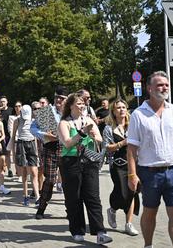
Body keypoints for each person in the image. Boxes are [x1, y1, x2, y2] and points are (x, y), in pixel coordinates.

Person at [127, 71, 173, 248]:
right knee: (150, 212)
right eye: (159, 85)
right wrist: (132, 175)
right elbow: (132, 148)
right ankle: (148, 245)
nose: (164, 88)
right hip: (149, 173)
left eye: (166, 85)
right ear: (149, 88)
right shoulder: (138, 115)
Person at [57, 93, 112, 244]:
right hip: (70, 162)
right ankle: (77, 230)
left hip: (89, 160)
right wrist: (82, 133)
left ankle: (100, 231)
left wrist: (94, 135)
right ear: (70, 106)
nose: (82, 106)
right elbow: (67, 143)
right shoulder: (64, 123)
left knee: (93, 196)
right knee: (74, 197)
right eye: (79, 104)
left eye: (83, 103)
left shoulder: (88, 120)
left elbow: (99, 139)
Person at [30, 85, 68, 219]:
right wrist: (43, 134)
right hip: (50, 147)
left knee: (68, 181)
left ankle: (70, 211)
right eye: (57, 97)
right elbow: (32, 128)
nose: (59, 100)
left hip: (67, 148)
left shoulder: (69, 112)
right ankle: (41, 208)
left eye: (62, 98)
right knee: (50, 180)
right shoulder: (47, 111)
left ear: (66, 99)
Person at [102, 99, 139, 236]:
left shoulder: (133, 125)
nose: (121, 110)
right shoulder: (109, 128)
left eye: (124, 107)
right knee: (122, 192)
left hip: (134, 164)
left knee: (132, 192)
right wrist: (122, 143)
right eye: (118, 108)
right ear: (113, 111)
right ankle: (112, 209)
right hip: (117, 165)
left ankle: (129, 224)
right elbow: (106, 148)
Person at [12, 105, 39, 206]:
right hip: (21, 143)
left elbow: (35, 136)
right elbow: (13, 135)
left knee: (34, 172)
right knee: (24, 172)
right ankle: (26, 195)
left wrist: (37, 150)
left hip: (31, 143)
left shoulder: (33, 120)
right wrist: (13, 151)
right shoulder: (17, 120)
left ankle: (37, 197)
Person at [0, 96, 14, 177]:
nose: (2, 103)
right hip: (1, 135)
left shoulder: (11, 110)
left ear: (7, 102)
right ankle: (7, 168)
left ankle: (11, 169)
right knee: (4, 153)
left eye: (4, 101)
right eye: (1, 102)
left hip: (10, 134)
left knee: (9, 153)